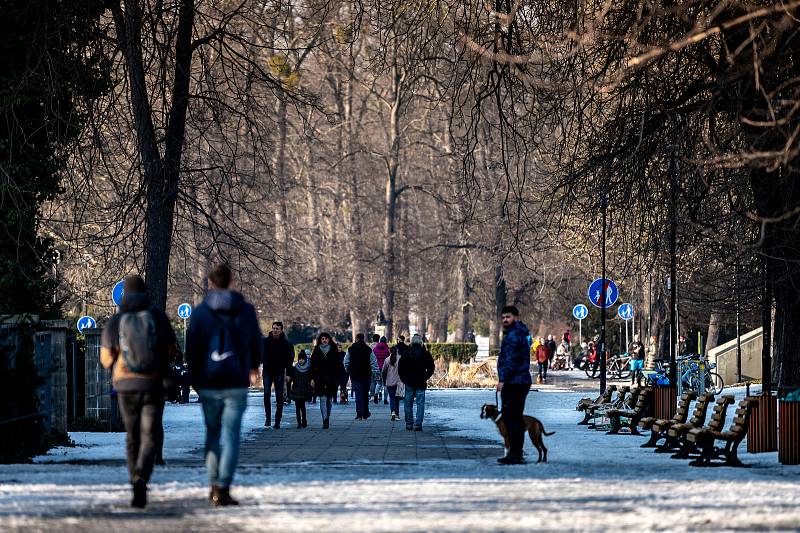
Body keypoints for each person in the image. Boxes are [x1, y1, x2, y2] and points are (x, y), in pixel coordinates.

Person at [186, 264, 262, 507]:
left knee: (212, 434)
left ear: (210, 284)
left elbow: (192, 349)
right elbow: (255, 342)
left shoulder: (200, 313)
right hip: (235, 381)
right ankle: (224, 487)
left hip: (208, 382)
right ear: (231, 282)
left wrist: (196, 378)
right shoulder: (245, 310)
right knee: (231, 435)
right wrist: (252, 368)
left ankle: (213, 484)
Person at [100, 275, 177, 508]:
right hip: (153, 384)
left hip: (126, 386)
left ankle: (135, 479)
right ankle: (143, 475)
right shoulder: (158, 317)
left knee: (132, 435)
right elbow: (172, 351)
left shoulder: (115, 320)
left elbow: (105, 360)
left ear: (124, 294)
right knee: (150, 435)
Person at [496, 305, 532, 465]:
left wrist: (503, 379)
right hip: (519, 381)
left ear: (516, 317)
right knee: (515, 418)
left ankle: (515, 453)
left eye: (508, 317)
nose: (505, 320)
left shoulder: (513, 335)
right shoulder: (517, 333)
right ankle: (516, 452)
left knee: (511, 419)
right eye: (503, 317)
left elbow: (510, 361)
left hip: (514, 382)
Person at [397, 334, 435, 431]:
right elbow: (431, 367)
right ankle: (418, 424)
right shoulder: (426, 354)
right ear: (421, 342)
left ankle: (409, 423)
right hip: (421, 382)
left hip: (409, 382)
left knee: (408, 403)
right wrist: (426, 377)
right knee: (420, 403)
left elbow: (400, 368)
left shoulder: (406, 354)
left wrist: (404, 379)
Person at [261, 321, 294, 429]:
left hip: (279, 372)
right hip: (267, 371)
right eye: (274, 328)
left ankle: (277, 420)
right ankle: (268, 417)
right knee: (266, 394)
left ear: (281, 330)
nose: (275, 330)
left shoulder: (286, 344)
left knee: (279, 396)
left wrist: (288, 374)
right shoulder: (265, 342)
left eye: (277, 329)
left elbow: (290, 360)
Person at [309, 332, 341, 429]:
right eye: (322, 339)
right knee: (322, 399)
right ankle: (325, 419)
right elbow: (312, 365)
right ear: (320, 340)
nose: (324, 340)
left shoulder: (334, 349)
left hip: (331, 378)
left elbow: (338, 365)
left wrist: (338, 378)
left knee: (329, 401)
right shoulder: (316, 350)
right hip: (320, 378)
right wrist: (311, 378)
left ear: (329, 339)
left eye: (326, 338)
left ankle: (327, 416)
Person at [345, 333, 377, 420]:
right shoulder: (368, 349)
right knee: (365, 394)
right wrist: (375, 372)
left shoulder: (351, 349)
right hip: (366, 374)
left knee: (358, 394)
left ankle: (359, 413)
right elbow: (373, 362)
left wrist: (348, 370)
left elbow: (346, 361)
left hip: (355, 375)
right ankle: (365, 412)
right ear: (363, 339)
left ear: (356, 339)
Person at [289, 350, 311, 428]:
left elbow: (310, 379)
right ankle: (299, 422)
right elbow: (291, 378)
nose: (301, 360)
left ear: (305, 359)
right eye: (299, 359)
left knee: (303, 407)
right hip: (296, 390)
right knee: (297, 407)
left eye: (302, 359)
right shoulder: (295, 368)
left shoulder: (308, 368)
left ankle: (304, 421)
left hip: (304, 390)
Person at [382, 345, 403, 420]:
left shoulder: (387, 360)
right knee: (397, 398)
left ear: (389, 351)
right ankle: (397, 414)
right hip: (399, 382)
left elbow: (383, 371)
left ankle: (392, 412)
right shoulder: (401, 359)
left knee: (391, 397)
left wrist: (384, 381)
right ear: (397, 351)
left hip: (390, 381)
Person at [372, 336, 391, 404]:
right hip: (385, 368)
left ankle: (376, 394)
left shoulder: (375, 349)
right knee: (385, 384)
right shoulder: (387, 349)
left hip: (377, 368)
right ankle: (385, 399)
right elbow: (389, 359)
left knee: (378, 383)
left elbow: (373, 359)